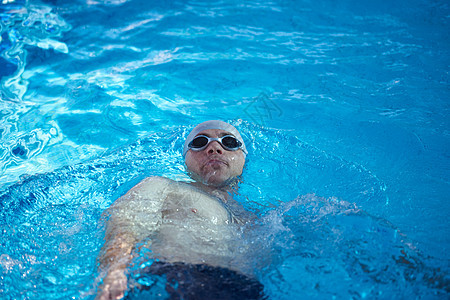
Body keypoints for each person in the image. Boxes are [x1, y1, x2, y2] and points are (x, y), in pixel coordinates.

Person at [96, 120, 266, 300]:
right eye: (200, 142)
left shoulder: (255, 217)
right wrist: (114, 271)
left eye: (229, 143)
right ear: (186, 160)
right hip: (178, 280)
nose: (215, 148)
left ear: (243, 157)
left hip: (246, 290)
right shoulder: (164, 187)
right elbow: (124, 226)